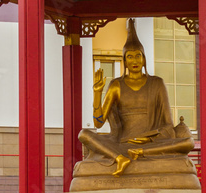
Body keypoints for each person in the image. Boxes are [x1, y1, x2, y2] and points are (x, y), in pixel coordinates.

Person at [79, 19, 194, 176]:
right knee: (84, 134)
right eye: (130, 57)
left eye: (138, 56)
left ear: (144, 59)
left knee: (188, 142)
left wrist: (148, 139)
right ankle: (119, 158)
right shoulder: (116, 85)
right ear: (125, 61)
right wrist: (98, 93)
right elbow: (98, 123)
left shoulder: (157, 83)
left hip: (150, 144)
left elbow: (168, 125)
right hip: (121, 144)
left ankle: (139, 152)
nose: (134, 61)